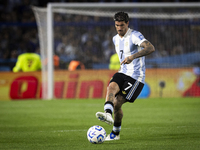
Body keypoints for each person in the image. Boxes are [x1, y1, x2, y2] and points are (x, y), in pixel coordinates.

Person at [96, 12, 155, 141]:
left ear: (127, 23)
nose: (119, 28)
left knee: (117, 103)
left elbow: (150, 48)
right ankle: (107, 114)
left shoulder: (134, 35)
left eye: (122, 25)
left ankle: (115, 133)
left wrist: (132, 57)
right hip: (122, 72)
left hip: (135, 77)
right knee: (111, 88)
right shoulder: (115, 38)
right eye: (117, 25)